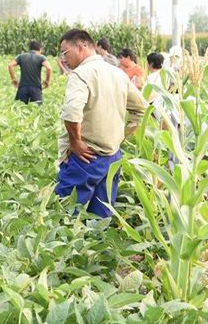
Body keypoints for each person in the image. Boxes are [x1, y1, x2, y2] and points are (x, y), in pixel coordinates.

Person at [55, 29, 147, 218]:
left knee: (66, 216)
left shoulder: (81, 74)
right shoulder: (118, 73)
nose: (63, 59)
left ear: (81, 47)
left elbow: (72, 111)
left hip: (85, 157)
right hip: (113, 157)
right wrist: (123, 135)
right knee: (101, 219)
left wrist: (75, 141)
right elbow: (141, 109)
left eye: (65, 53)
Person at [8, 40, 52, 104]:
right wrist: (47, 81)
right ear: (40, 49)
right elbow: (49, 68)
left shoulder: (21, 56)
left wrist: (14, 79)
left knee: (20, 108)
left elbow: (10, 65)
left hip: (22, 88)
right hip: (36, 88)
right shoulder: (41, 57)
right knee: (36, 108)